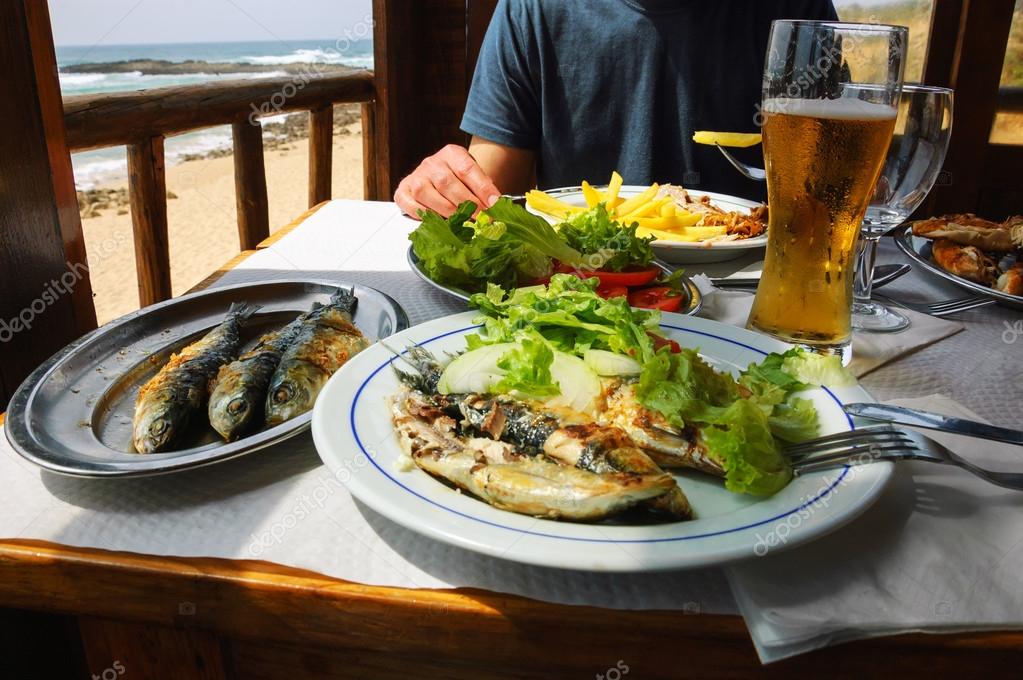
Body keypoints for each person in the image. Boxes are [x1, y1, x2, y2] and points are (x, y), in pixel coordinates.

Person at [394, 0, 839, 219]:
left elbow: (835, 180)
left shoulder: (795, 7)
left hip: (754, 297)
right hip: (584, 293)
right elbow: (491, 194)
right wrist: (444, 185)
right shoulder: (533, 8)